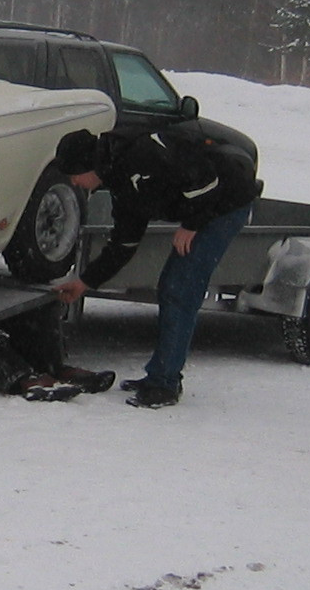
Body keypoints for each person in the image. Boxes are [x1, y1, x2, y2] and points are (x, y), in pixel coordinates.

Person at [47, 122, 262, 408]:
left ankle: (164, 384)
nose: (74, 182)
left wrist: (192, 224)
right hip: (202, 209)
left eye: (74, 175)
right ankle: (160, 375)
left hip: (225, 204)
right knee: (171, 287)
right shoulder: (121, 183)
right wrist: (84, 282)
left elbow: (206, 179)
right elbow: (124, 244)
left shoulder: (145, 153)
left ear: (89, 165)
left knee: (179, 288)